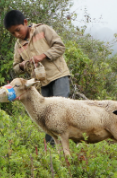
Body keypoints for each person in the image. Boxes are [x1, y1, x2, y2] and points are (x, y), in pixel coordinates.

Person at [5, 9, 71, 144]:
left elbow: (60, 46)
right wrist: (23, 65)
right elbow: (16, 67)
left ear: (25, 22)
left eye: (18, 30)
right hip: (41, 82)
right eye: (13, 33)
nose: (17, 34)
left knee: (59, 111)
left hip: (58, 76)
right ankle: (51, 148)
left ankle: (65, 146)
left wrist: (43, 56)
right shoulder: (18, 46)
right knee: (45, 114)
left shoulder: (43, 30)